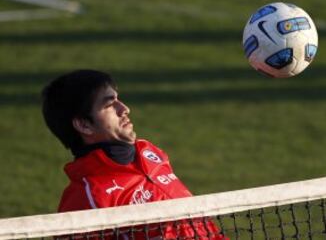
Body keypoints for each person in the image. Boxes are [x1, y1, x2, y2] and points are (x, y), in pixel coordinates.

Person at [41, 69, 226, 239]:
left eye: (118, 99)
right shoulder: (86, 201)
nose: (124, 109)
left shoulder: (148, 151)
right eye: (109, 105)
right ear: (84, 125)